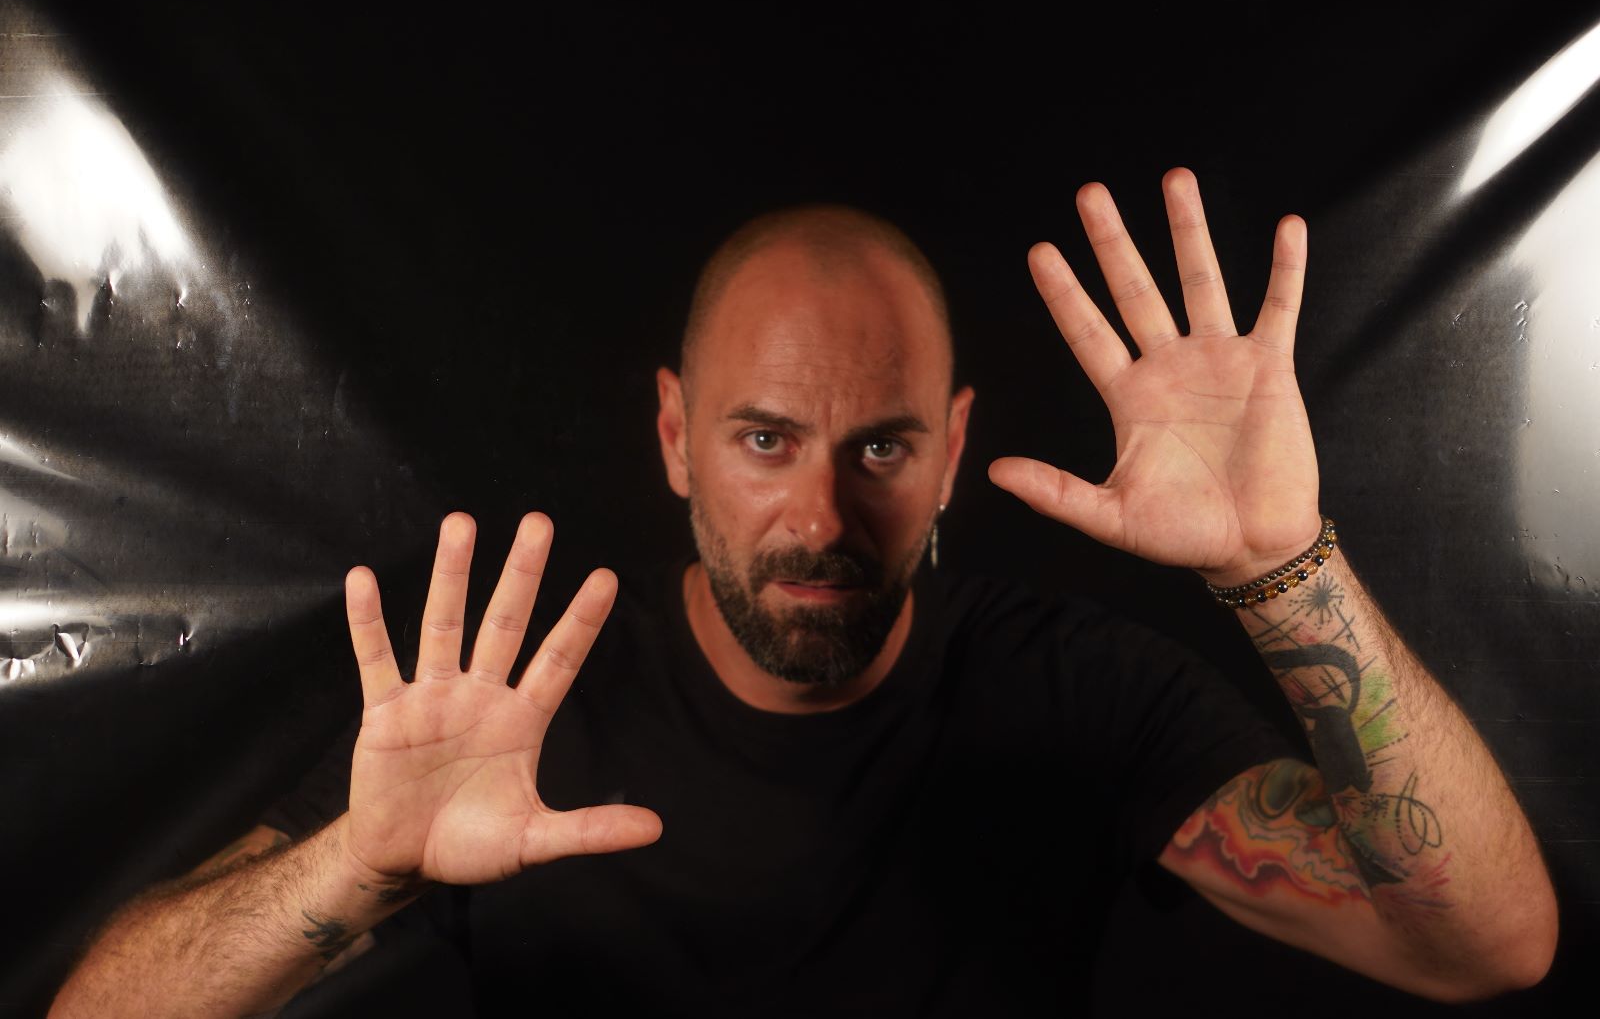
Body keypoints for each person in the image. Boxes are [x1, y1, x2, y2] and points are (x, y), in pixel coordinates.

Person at [50, 170, 1557, 1016]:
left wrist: (1278, 564)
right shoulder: (514, 709)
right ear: (674, 439)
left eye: (881, 446)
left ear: (952, 449)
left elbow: (1489, 944)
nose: (823, 517)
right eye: (764, 441)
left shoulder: (1073, 691)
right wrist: (359, 867)